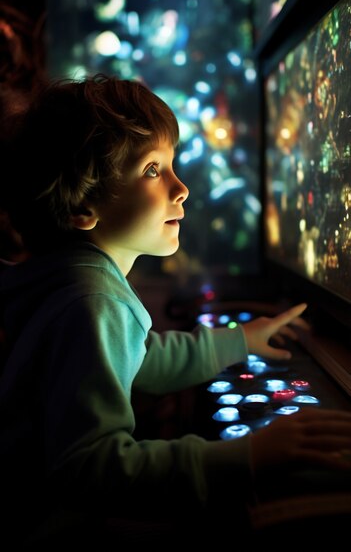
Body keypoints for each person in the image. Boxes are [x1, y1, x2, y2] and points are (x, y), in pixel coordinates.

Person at [0, 74, 350, 551]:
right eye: (152, 170)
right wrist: (247, 455)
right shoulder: (90, 301)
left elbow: (138, 357)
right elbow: (90, 467)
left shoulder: (71, 279)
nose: (180, 187)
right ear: (83, 204)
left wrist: (239, 341)